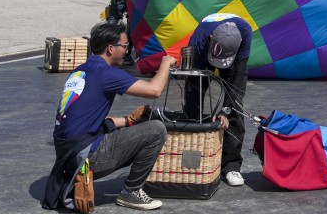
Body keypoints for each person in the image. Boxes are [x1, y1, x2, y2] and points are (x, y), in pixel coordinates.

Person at [43, 21, 177, 212]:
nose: (127, 51)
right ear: (110, 48)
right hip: (85, 156)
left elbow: (89, 120)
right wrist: (165, 63)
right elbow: (154, 90)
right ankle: (131, 192)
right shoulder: (106, 73)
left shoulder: (81, 70)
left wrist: (129, 121)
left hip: (68, 154)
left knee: (126, 125)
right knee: (156, 130)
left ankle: (76, 176)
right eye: (124, 46)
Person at [185, 13, 253, 187]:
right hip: (203, 54)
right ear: (210, 38)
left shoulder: (245, 33)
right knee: (193, 100)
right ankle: (193, 155)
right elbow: (193, 86)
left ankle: (231, 166)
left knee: (235, 104)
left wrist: (226, 109)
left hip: (232, 57)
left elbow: (237, 80)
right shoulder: (199, 41)